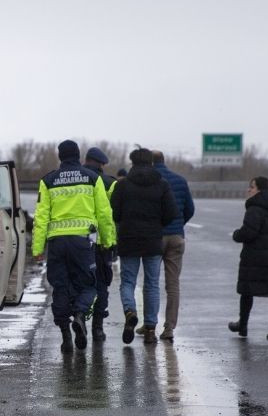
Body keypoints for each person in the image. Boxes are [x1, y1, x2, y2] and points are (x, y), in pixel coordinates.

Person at [33, 140, 116, 352]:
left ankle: (65, 336)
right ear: (78, 156)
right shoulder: (92, 178)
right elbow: (104, 214)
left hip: (57, 244)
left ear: (60, 156)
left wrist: (37, 249)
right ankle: (80, 314)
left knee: (60, 286)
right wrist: (107, 241)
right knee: (88, 285)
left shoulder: (48, 180)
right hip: (83, 243)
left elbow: (41, 218)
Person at [109, 147, 176, 344]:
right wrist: (157, 223)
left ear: (133, 163)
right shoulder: (162, 185)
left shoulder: (123, 185)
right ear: (151, 163)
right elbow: (171, 213)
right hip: (153, 239)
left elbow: (114, 213)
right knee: (152, 284)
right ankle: (149, 329)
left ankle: (130, 311)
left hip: (128, 239)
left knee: (128, 281)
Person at [229, 176, 268, 341]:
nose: (248, 190)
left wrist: (236, 235)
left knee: (247, 290)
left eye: (252, 187)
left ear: (260, 190)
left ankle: (243, 324)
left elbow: (249, 232)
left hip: (256, 257)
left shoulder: (255, 208)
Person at [152, 150, 195, 342]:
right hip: (176, 236)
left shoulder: (151, 180)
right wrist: (178, 224)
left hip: (154, 237)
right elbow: (190, 209)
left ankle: (149, 324)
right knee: (173, 285)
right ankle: (169, 327)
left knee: (151, 283)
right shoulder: (180, 180)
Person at [82, 146, 120, 341]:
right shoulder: (109, 183)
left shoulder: (77, 178)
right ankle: (98, 328)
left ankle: (79, 319)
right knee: (102, 283)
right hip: (102, 243)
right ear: (102, 164)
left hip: (78, 240)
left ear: (86, 160)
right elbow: (111, 215)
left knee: (79, 283)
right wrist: (111, 241)